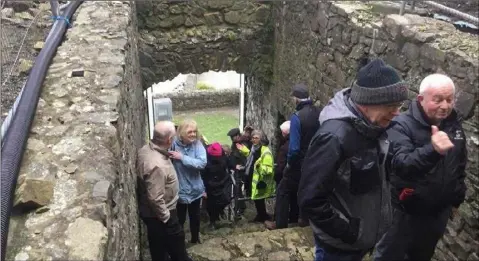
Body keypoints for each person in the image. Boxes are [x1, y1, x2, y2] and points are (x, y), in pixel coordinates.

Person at [298, 58, 409, 261]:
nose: (397, 112)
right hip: (339, 248)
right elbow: (310, 198)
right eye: (390, 105)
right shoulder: (334, 137)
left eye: (399, 105)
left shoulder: (376, 127)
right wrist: (349, 231)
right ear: (367, 103)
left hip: (360, 241)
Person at [373, 74, 468, 261]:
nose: (445, 106)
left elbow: (459, 165)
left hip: (436, 214)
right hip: (404, 212)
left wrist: (456, 198)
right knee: (388, 256)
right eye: (438, 100)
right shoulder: (401, 125)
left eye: (449, 100)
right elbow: (401, 164)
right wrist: (432, 150)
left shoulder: (453, 126)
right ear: (421, 99)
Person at [137, 121, 192, 261]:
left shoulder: (147, 149)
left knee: (159, 249)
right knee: (179, 253)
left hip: (153, 214)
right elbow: (155, 198)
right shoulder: (157, 165)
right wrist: (168, 219)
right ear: (169, 140)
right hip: (161, 215)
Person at [281, 84, 321, 227]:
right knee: (309, 187)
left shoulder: (297, 118)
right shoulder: (318, 112)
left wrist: (289, 164)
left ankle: (281, 224)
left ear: (296, 100)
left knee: (283, 190)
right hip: (317, 158)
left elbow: (294, 148)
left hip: (302, 161)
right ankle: (304, 218)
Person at [170, 119, 207, 244]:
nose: (193, 134)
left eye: (194, 132)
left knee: (195, 217)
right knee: (179, 218)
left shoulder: (197, 145)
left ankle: (195, 239)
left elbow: (202, 163)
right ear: (181, 132)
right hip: (179, 190)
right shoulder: (173, 144)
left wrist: (182, 157)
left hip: (195, 189)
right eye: (190, 132)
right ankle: (179, 244)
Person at [237, 130, 275, 222]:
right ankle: (261, 215)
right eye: (253, 138)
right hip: (253, 178)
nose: (254, 140)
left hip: (260, 180)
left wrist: (259, 166)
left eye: (256, 138)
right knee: (257, 199)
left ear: (261, 139)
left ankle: (263, 216)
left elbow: (268, 169)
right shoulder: (255, 148)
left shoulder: (265, 151)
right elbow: (252, 157)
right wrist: (244, 151)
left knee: (259, 199)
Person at [264, 120, 291, 230]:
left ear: (285, 133)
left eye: (282, 132)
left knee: (282, 198)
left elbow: (280, 166)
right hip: (296, 175)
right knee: (293, 198)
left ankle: (279, 223)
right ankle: (294, 219)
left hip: (286, 176)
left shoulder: (285, 148)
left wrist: (277, 176)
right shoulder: (297, 142)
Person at [202, 142, 232, 230]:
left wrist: (234, 166)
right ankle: (213, 221)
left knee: (226, 199)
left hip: (222, 181)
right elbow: (203, 173)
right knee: (211, 203)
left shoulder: (222, 155)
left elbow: (228, 162)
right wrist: (203, 189)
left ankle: (219, 212)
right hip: (210, 183)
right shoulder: (205, 158)